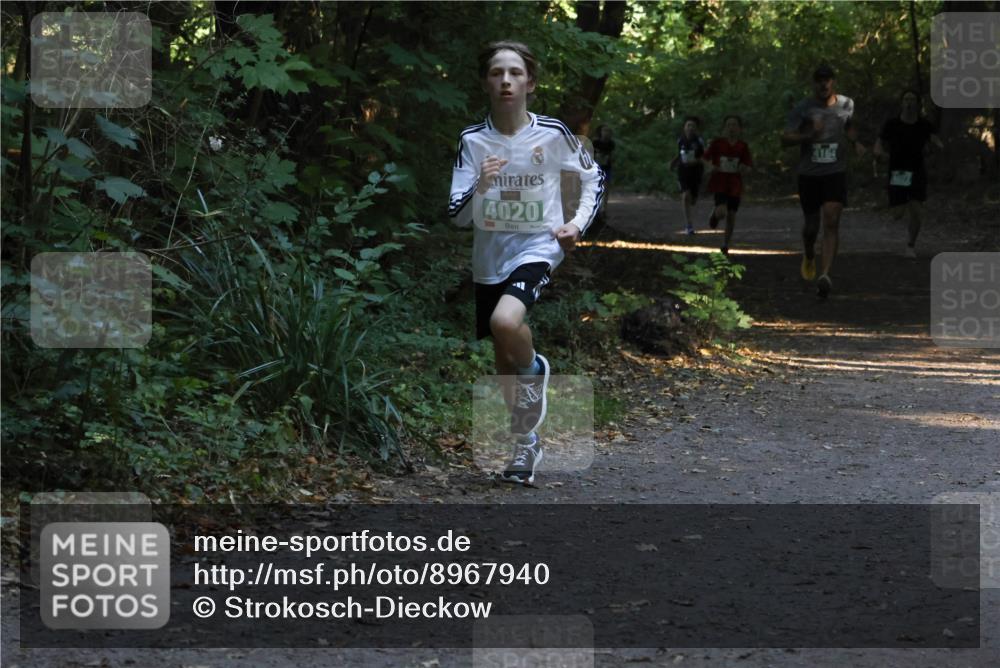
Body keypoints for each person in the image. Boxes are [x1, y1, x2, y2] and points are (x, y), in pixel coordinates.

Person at [448, 40, 604, 485]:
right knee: (502, 359)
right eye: (497, 73)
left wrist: (576, 224)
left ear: (530, 83)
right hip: (489, 259)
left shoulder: (553, 134)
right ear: (486, 82)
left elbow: (594, 178)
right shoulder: (472, 141)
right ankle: (525, 445)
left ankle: (536, 368)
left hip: (539, 245)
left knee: (505, 321)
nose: (506, 81)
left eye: (515, 73)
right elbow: (457, 218)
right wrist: (481, 183)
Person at [782, 64, 865, 299]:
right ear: (813, 83)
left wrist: (855, 142)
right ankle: (809, 254)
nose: (823, 84)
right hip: (809, 175)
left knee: (831, 220)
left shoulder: (846, 104)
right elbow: (785, 138)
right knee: (811, 227)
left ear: (833, 82)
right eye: (819, 80)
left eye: (827, 79)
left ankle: (825, 274)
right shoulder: (803, 109)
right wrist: (808, 135)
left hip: (835, 173)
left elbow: (848, 126)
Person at [873, 89, 943, 258]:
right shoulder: (892, 124)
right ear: (902, 103)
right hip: (898, 172)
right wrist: (879, 152)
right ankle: (895, 204)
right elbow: (879, 142)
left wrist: (938, 146)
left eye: (912, 99)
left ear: (918, 104)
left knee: (917, 211)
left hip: (917, 170)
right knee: (898, 213)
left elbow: (935, 140)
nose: (909, 103)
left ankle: (910, 245)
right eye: (906, 99)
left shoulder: (924, 125)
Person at [702, 115, 753, 255]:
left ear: (739, 129)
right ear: (724, 128)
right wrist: (711, 166)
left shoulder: (743, 146)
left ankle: (725, 245)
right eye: (729, 125)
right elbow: (704, 158)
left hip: (735, 185)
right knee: (722, 213)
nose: (731, 128)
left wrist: (744, 168)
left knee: (731, 215)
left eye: (734, 125)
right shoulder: (717, 143)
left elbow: (748, 166)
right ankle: (715, 214)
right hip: (720, 182)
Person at [669, 117, 706, 235]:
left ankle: (694, 197)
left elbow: (704, 157)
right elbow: (679, 153)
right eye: (688, 125)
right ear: (684, 128)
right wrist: (673, 162)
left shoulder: (699, 141)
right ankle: (688, 225)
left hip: (696, 172)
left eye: (693, 126)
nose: (690, 128)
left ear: (696, 129)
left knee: (693, 200)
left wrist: (696, 161)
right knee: (685, 196)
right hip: (683, 171)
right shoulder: (680, 140)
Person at [591, 125, 615, 224]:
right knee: (595, 189)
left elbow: (612, 155)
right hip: (596, 169)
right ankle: (595, 209)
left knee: (606, 189)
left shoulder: (611, 144)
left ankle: (604, 209)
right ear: (600, 132)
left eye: (608, 131)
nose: (606, 133)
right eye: (604, 130)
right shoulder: (595, 143)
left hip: (607, 168)